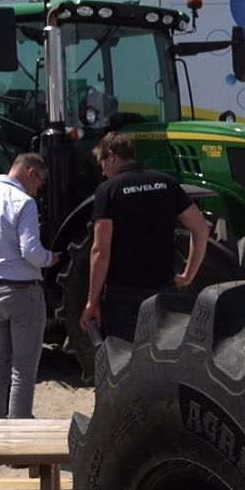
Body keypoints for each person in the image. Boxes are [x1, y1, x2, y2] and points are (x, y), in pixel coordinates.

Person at [80, 132, 210, 343]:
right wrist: (188, 275)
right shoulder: (167, 183)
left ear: (111, 156)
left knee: (124, 357)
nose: (102, 171)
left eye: (101, 162)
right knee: (164, 354)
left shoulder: (108, 190)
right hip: (164, 292)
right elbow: (201, 229)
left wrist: (91, 302)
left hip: (124, 296)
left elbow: (100, 251)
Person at [0, 153, 57, 419]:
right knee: (23, 370)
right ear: (30, 172)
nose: (37, 189)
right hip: (23, 292)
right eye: (40, 181)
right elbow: (31, 252)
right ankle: (18, 431)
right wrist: (50, 258)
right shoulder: (24, 202)